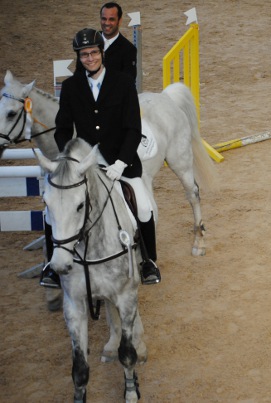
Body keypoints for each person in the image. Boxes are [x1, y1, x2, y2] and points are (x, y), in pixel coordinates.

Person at [40, 28, 160, 288]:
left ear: (101, 53)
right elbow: (62, 129)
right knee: (50, 212)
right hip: (86, 164)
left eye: (94, 52)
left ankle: (149, 261)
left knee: (143, 206)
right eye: (84, 54)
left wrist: (121, 162)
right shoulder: (70, 87)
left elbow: (133, 128)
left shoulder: (123, 83)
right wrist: (68, 159)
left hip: (121, 162)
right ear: (79, 56)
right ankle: (51, 267)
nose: (90, 58)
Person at [100, 2, 137, 81]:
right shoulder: (90, 40)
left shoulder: (128, 49)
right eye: (104, 19)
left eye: (111, 19)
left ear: (119, 21)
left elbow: (128, 82)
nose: (107, 23)